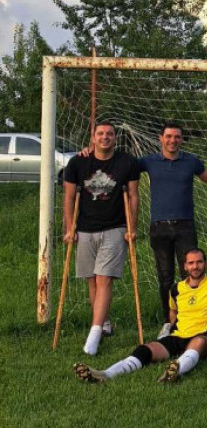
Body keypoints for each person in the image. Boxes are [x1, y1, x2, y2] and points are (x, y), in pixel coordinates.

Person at [74, 248, 207, 384]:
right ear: (185, 266)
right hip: (177, 336)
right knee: (145, 349)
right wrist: (172, 327)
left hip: (204, 336)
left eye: (199, 262)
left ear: (205, 264)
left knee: (199, 342)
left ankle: (177, 370)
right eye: (191, 263)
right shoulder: (176, 289)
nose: (195, 266)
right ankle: (106, 374)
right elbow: (173, 311)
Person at [137, 121, 207, 337]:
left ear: (181, 139)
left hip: (185, 227)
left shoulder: (191, 161)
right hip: (159, 228)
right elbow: (121, 165)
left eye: (177, 137)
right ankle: (168, 322)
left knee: (189, 273)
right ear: (161, 139)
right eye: (169, 136)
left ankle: (190, 318)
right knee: (165, 276)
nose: (173, 140)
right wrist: (91, 150)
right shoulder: (149, 161)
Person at [63, 121, 141, 356]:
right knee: (92, 281)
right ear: (93, 137)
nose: (105, 137)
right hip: (85, 229)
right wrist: (70, 227)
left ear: (115, 138)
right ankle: (104, 322)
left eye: (109, 134)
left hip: (115, 227)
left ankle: (94, 333)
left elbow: (133, 195)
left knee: (104, 279)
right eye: (100, 133)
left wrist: (132, 226)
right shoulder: (77, 162)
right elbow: (69, 197)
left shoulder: (127, 162)